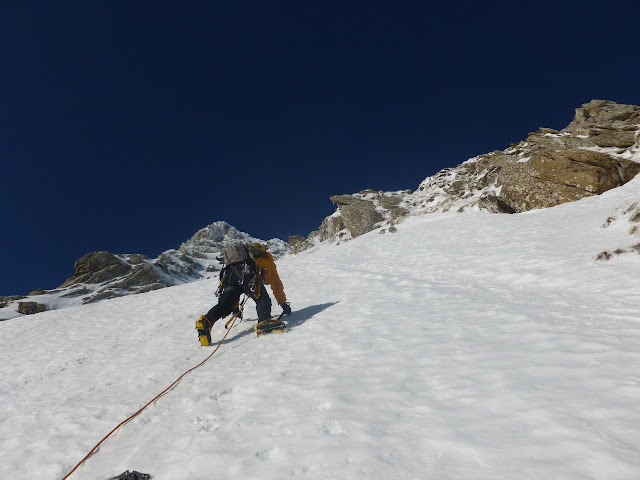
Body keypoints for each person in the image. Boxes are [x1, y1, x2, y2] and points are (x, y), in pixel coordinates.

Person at [196, 242, 291, 345]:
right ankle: (265, 323)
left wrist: (235, 308)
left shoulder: (239, 259)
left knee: (224, 305)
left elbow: (237, 287)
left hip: (229, 276)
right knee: (263, 299)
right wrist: (282, 303)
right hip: (246, 274)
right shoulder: (265, 260)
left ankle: (207, 321)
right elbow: (276, 283)